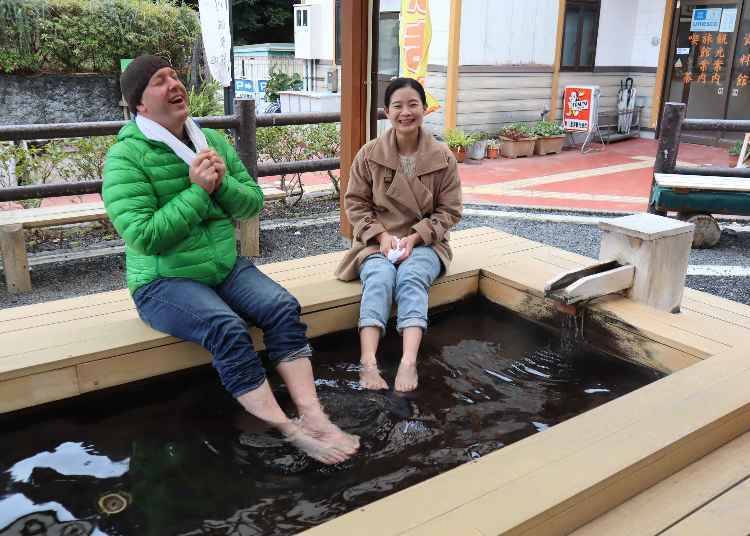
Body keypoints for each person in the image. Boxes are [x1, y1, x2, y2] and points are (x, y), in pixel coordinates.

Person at [103, 55, 358, 464]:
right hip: (162, 282)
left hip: (222, 267)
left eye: (173, 74)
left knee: (281, 308)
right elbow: (143, 236)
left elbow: (251, 203)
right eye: (158, 80)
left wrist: (220, 186)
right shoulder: (125, 158)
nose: (173, 83)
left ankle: (314, 416)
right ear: (140, 105)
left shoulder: (210, 141)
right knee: (227, 328)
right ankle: (290, 430)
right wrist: (198, 191)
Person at [335, 78, 463, 392]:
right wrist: (380, 237)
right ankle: (368, 362)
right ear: (386, 112)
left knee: (411, 276)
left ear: (423, 108)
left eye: (412, 104)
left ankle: (408, 362)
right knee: (378, 278)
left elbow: (450, 210)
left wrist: (416, 237)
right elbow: (355, 203)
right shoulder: (369, 154)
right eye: (397, 105)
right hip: (377, 240)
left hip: (425, 242)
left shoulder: (443, 157)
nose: (405, 112)